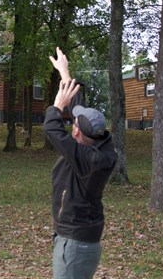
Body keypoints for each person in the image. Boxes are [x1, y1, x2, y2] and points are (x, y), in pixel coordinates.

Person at [43, 47, 117, 279]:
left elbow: (52, 128)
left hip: (75, 243)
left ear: (76, 134)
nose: (71, 124)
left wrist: (57, 105)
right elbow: (77, 108)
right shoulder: (100, 146)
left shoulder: (88, 159)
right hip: (79, 237)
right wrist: (64, 72)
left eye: (74, 125)